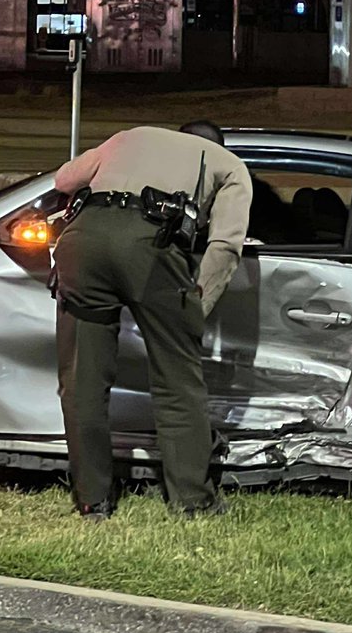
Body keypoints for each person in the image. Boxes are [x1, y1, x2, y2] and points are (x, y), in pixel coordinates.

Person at [52, 122, 253, 521]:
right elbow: (226, 243)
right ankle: (192, 501)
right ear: (216, 144)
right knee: (177, 381)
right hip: (150, 247)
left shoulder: (128, 136)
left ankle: (92, 500)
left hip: (82, 242)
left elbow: (64, 179)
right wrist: (197, 303)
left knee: (82, 381)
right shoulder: (229, 164)